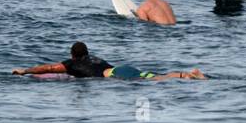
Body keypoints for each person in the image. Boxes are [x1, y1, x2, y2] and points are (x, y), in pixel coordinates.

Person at [11, 42, 205, 80]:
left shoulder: (71, 63)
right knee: (155, 77)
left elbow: (49, 68)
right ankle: (187, 74)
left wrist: (25, 71)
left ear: (72, 56)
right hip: (121, 68)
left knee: (155, 79)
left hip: (116, 75)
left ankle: (187, 76)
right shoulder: (94, 58)